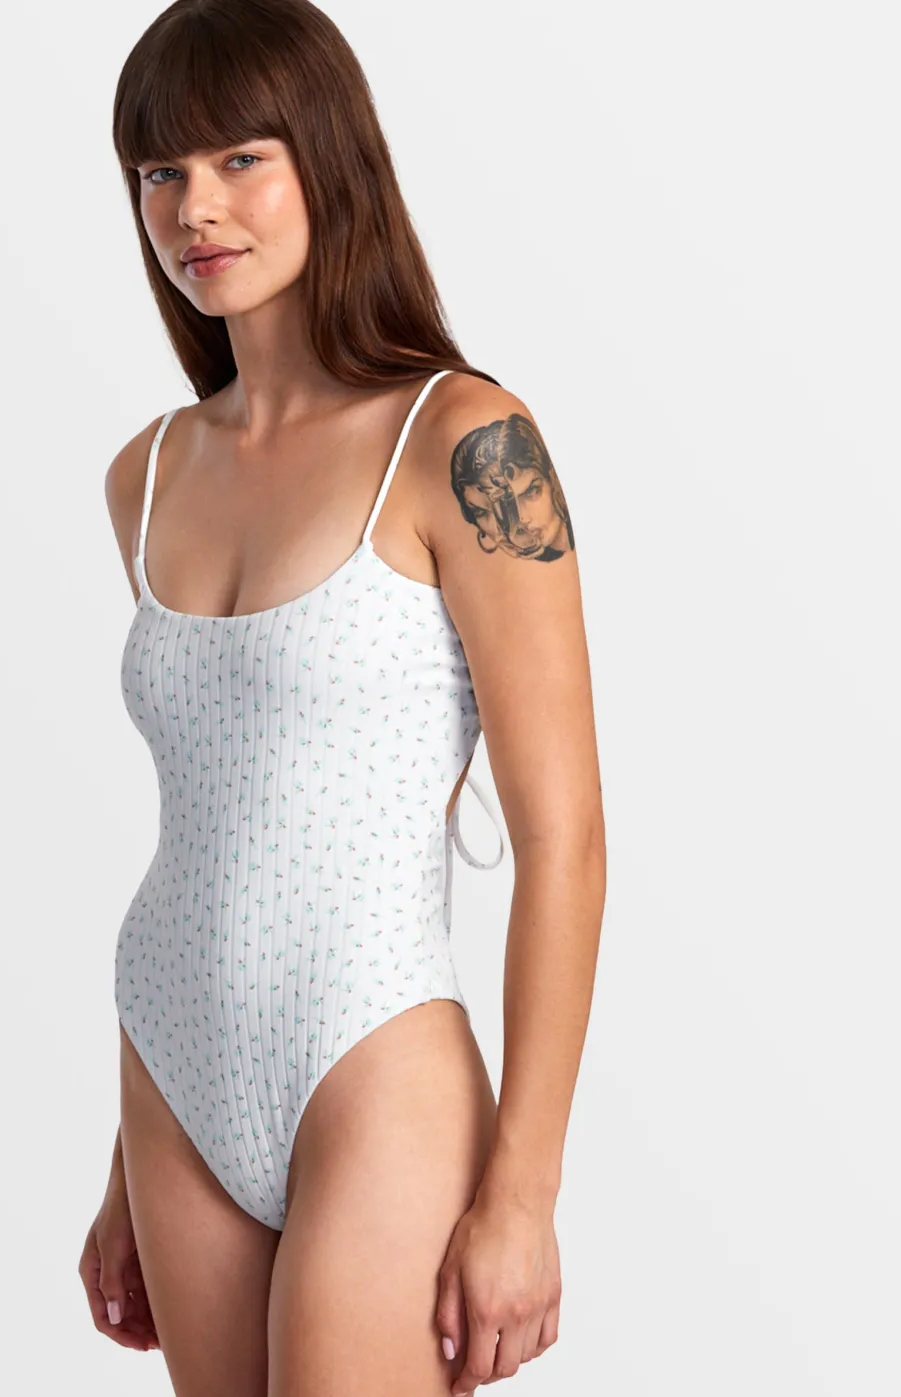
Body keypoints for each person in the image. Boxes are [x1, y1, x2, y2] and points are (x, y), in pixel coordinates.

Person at [77, 2, 607, 1393]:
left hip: (372, 1054)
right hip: (168, 1056)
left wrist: (524, 1194)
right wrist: (121, 1168)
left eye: (240, 159)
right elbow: (211, 816)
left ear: (328, 158)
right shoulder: (147, 475)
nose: (195, 207)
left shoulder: (465, 441)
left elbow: (564, 839)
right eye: (160, 171)